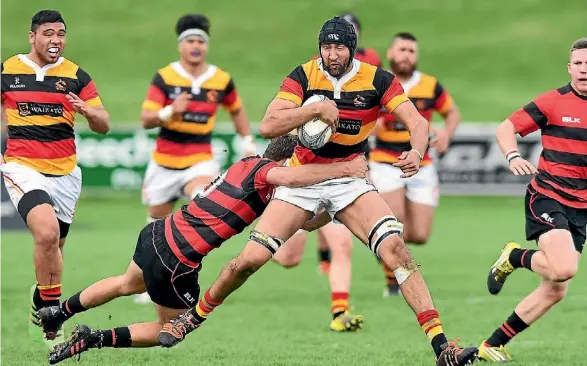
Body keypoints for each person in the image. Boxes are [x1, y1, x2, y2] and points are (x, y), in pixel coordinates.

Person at [158, 17, 478, 366]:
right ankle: (193, 317)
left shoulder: (377, 78)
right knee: (248, 262)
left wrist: (417, 151)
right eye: (327, 47)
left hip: (350, 179)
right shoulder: (304, 75)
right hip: (303, 178)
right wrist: (314, 108)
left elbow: (417, 122)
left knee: (397, 250)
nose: (332, 54)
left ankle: (442, 347)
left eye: (340, 47)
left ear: (352, 48)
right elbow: (267, 126)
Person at [37, 135, 368, 364]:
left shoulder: (248, 165)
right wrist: (345, 170)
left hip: (157, 232)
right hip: (177, 260)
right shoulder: (266, 172)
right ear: (286, 161)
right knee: (174, 327)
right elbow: (293, 181)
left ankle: (60, 311)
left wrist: (335, 203)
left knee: (127, 283)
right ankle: (92, 339)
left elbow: (306, 224)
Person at [0, 9, 110, 347]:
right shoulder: (8, 70)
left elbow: (103, 123)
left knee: (55, 249)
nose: (55, 40)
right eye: (48, 33)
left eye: (60, 33)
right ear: (32, 37)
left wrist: (90, 112)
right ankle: (52, 321)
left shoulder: (77, 76)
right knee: (46, 234)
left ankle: (40, 295)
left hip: (65, 173)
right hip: (22, 167)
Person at [478, 38, 587, 362]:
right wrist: (512, 156)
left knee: (555, 287)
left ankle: (491, 344)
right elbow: (506, 128)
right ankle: (516, 257)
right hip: (548, 196)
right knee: (565, 268)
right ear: (570, 68)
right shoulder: (553, 102)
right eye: (579, 64)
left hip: (581, 207)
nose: (585, 70)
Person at [136, 13, 256, 304]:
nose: (195, 46)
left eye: (200, 41)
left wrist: (246, 142)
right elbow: (146, 120)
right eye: (190, 40)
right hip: (164, 161)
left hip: (200, 158)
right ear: (181, 45)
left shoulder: (220, 79)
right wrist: (169, 112)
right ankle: (148, 282)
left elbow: (237, 109)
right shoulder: (165, 77)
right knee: (156, 225)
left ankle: (186, 272)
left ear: (206, 45)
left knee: (202, 201)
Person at [369, 32, 461, 296]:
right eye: (402, 49)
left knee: (419, 235)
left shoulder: (430, 85)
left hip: (422, 162)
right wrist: (372, 125)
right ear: (390, 53)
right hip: (388, 161)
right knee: (393, 220)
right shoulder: (378, 83)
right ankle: (392, 276)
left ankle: (381, 244)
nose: (406, 55)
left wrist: (446, 133)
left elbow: (452, 112)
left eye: (411, 51)